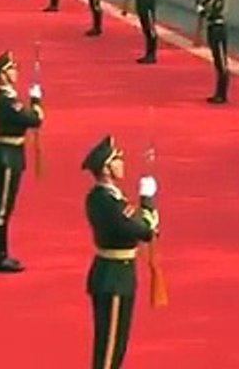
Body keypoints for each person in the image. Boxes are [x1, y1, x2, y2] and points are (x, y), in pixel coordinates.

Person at [82, 135, 159, 369]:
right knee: (110, 348)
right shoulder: (108, 202)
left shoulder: (106, 197)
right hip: (114, 278)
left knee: (115, 345)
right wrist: (147, 201)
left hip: (114, 273)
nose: (122, 164)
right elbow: (145, 231)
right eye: (117, 160)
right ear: (106, 168)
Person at [0, 51, 44, 272]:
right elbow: (33, 120)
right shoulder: (6, 100)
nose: (15, 72)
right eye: (11, 69)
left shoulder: (10, 98)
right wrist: (36, 102)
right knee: (1, 207)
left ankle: (0, 252)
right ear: (2, 74)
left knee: (5, 206)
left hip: (12, 152)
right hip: (6, 156)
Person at [196, 0, 229, 102]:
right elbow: (202, 9)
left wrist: (201, 8)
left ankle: (222, 94)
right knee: (217, 61)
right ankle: (218, 93)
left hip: (218, 29)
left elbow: (212, 12)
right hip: (212, 28)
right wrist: (199, 1)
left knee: (221, 62)